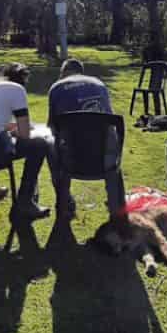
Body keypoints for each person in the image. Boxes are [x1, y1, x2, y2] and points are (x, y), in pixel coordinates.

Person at [0, 62, 53, 223]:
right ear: (22, 80)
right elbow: (25, 134)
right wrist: (18, 130)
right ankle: (25, 201)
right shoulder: (17, 90)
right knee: (39, 144)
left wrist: (8, 127)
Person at [47, 58, 123, 217]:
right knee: (112, 150)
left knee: (50, 148)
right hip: (104, 157)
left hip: (72, 159)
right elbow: (109, 118)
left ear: (63, 73)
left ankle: (65, 202)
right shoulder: (98, 83)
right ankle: (117, 204)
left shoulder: (56, 88)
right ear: (81, 72)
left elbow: (52, 127)